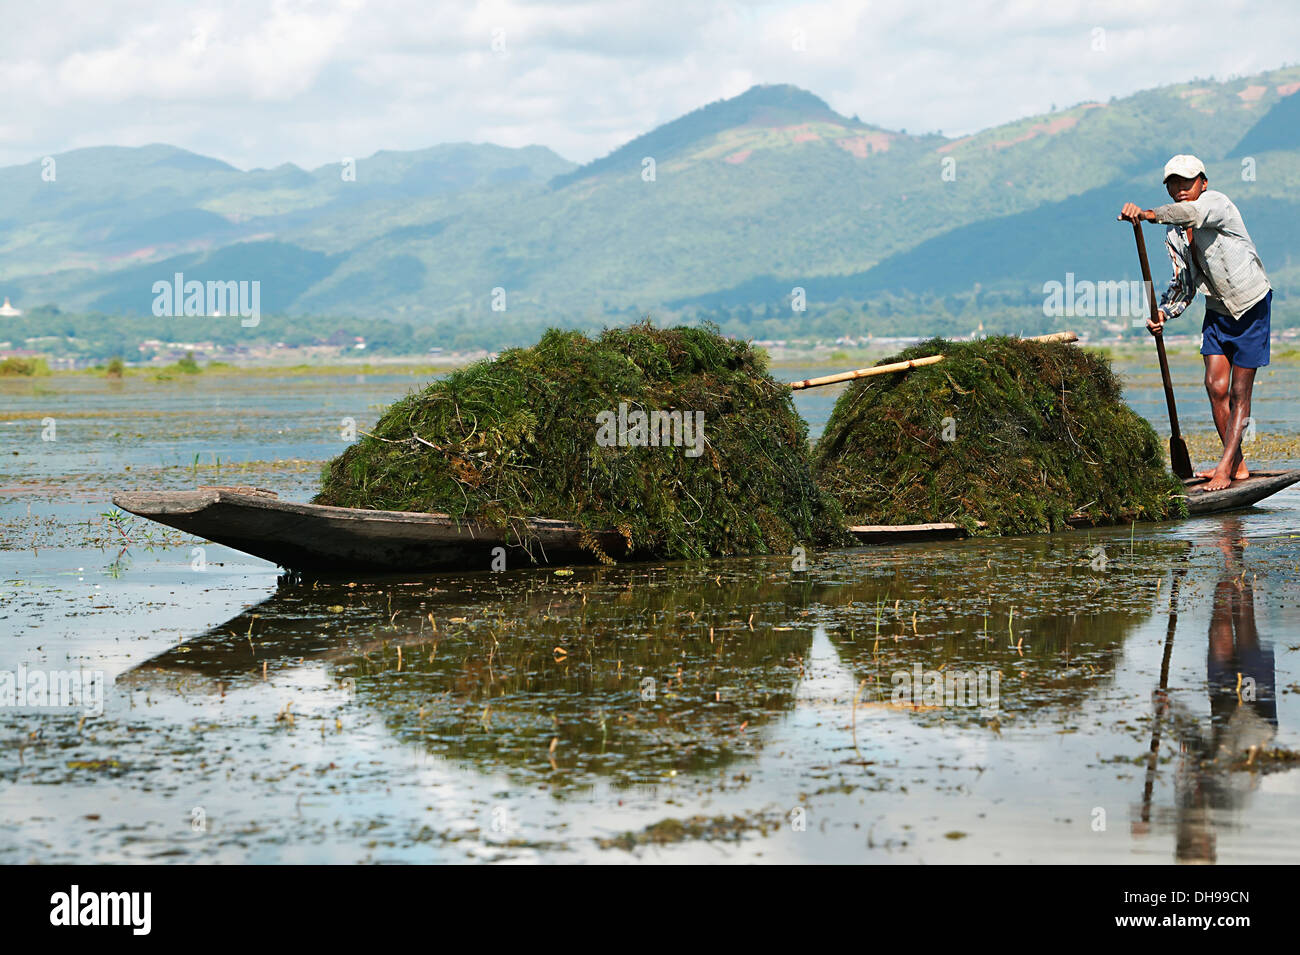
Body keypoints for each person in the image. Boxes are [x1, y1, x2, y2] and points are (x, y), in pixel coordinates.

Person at [1120, 155, 1272, 491]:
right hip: (1218, 310)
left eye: (1187, 182)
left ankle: (1223, 468)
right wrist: (1163, 313)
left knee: (1238, 393)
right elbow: (1185, 283)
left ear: (1203, 182)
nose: (1181, 189)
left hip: (1251, 305)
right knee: (1215, 388)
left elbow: (1189, 214)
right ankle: (1239, 466)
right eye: (1174, 183)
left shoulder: (1216, 203)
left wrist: (1147, 214)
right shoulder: (1174, 236)